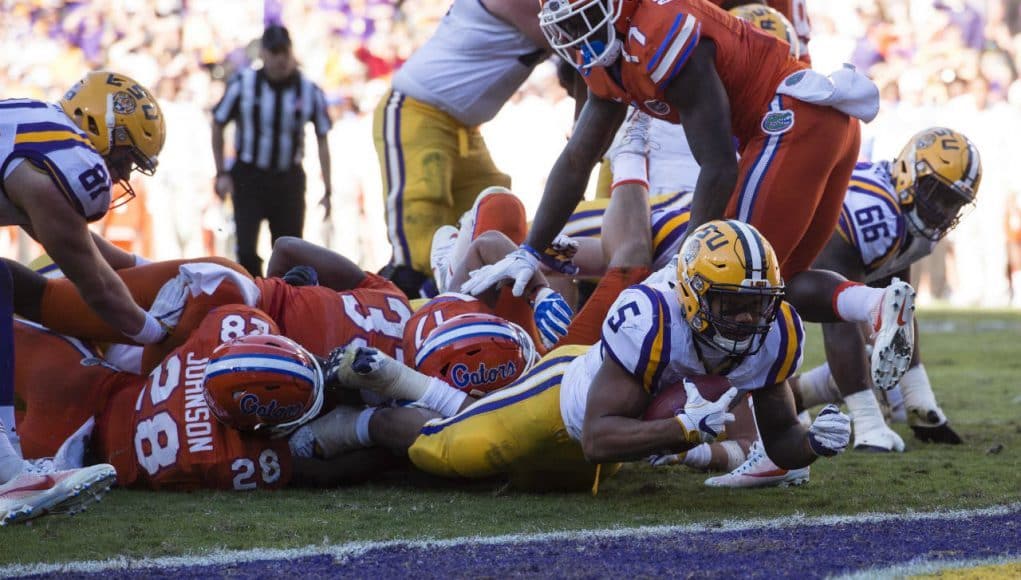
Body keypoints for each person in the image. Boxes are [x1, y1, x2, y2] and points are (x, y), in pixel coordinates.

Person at [463, 0, 916, 393]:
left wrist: (685, 268)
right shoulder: (616, 51)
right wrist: (528, 251)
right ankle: (874, 306)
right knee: (776, 287)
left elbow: (719, 165)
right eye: (570, 23)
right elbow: (578, 158)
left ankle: (746, 437)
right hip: (818, 124)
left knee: (729, 289)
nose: (580, 34)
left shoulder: (661, 33)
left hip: (790, 124)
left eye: (586, 17)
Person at [0, 70, 166, 462]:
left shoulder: (37, 127)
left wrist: (147, 269)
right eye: (125, 159)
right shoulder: (63, 164)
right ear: (98, 127)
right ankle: (4, 455)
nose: (124, 174)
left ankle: (5, 447)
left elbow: (79, 244)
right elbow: (98, 290)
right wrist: (160, 332)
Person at [373, 0, 558, 297]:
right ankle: (395, 323)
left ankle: (475, 320)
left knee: (495, 218)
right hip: (417, 112)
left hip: (464, 127)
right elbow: (565, 35)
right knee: (419, 247)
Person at [212, 24, 334, 277]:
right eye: (274, 52)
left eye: (284, 52)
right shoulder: (243, 84)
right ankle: (253, 304)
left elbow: (322, 137)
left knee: (290, 250)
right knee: (245, 250)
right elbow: (218, 122)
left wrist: (328, 188)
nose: (280, 59)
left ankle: (282, 305)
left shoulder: (308, 89)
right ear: (264, 54)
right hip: (248, 175)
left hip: (288, 177)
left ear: (291, 52)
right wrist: (221, 172)